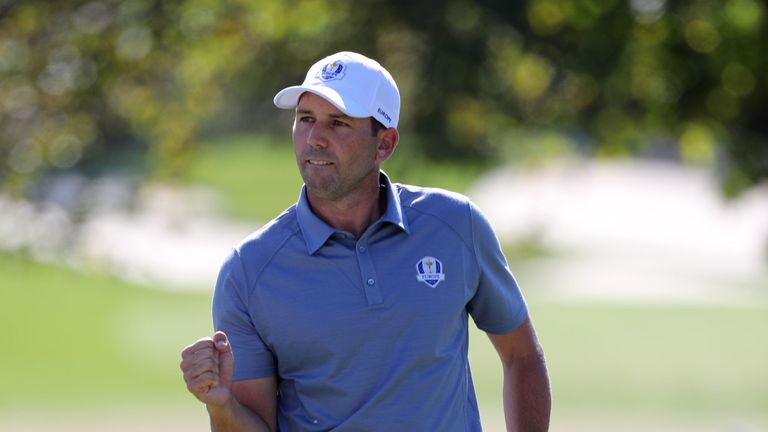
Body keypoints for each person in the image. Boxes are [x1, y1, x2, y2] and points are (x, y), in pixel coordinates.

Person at [180, 51, 551, 431]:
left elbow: (522, 357)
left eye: (338, 123)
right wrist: (221, 407)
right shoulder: (248, 270)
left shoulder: (456, 226)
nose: (315, 139)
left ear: (385, 144)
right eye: (305, 119)